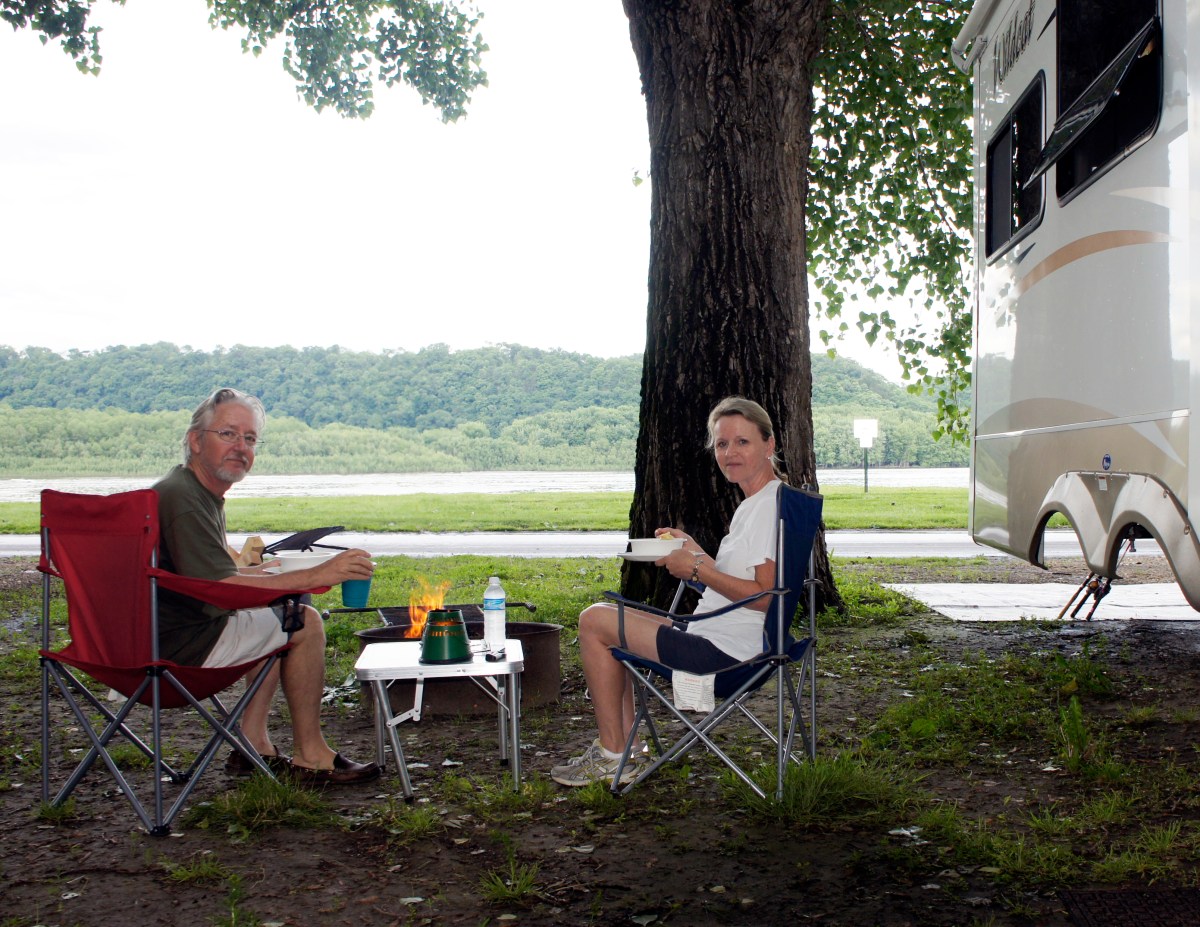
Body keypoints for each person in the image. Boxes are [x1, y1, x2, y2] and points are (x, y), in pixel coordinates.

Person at [551, 396, 783, 787]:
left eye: (742, 442)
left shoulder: (764, 507)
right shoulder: (763, 502)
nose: (730, 453)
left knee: (594, 621)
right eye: (722, 444)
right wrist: (696, 554)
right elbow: (741, 583)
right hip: (731, 638)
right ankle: (624, 750)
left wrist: (695, 568)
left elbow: (764, 598)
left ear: (769, 444)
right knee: (611, 619)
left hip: (725, 654)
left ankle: (614, 755)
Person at [154, 387, 380, 786]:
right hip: (179, 649)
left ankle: (252, 744)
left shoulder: (191, 490)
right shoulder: (184, 499)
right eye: (228, 434)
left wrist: (275, 572)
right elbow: (221, 586)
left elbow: (207, 574)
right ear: (195, 440)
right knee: (303, 621)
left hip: (164, 635)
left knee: (277, 607)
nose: (240, 447)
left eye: (250, 438)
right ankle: (312, 755)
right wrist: (316, 575)